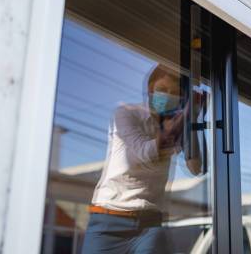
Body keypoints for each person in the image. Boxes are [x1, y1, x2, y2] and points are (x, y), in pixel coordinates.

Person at [81, 64, 204, 253]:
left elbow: (196, 167)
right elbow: (146, 153)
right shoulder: (126, 114)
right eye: (162, 90)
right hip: (109, 221)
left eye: (174, 93)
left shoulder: (178, 124)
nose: (167, 95)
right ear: (150, 90)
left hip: (149, 225)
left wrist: (194, 120)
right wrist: (186, 117)